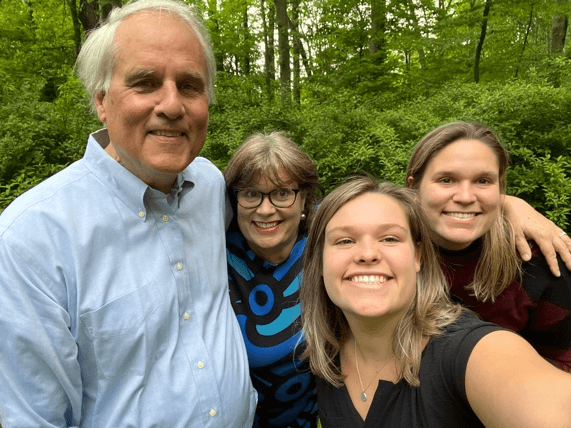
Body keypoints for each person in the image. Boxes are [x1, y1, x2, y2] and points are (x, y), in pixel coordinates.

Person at [0, 1, 256, 426]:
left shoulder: (210, 186)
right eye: (146, 83)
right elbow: (31, 416)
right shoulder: (32, 241)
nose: (172, 105)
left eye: (190, 86)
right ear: (102, 101)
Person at [300, 177, 571, 427]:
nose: (368, 253)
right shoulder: (327, 354)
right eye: (345, 240)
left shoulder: (468, 352)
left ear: (418, 256)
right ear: (320, 261)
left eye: (390, 238)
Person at [406, 121, 571, 371]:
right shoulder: (384, 252)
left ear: (500, 188)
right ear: (413, 187)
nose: (465, 197)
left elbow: (564, 362)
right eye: (446, 179)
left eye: (483, 181)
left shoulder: (535, 261)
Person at [224, 132, 320, 427]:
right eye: (251, 193)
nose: (266, 209)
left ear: (303, 198)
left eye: (281, 193)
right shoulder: (212, 257)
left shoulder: (326, 252)